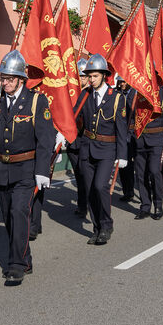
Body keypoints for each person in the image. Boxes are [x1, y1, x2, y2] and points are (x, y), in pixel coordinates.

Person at [0, 51, 55, 282]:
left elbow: (46, 139)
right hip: (3, 169)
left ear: (20, 79)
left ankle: (16, 265)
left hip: (27, 169)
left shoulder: (36, 101)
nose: (5, 82)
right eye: (2, 78)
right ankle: (25, 258)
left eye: (9, 78)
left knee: (19, 212)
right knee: (9, 217)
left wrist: (42, 170)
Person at [75, 54, 129, 244]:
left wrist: (122, 154)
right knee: (90, 190)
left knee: (100, 186)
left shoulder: (116, 98)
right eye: (89, 76)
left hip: (107, 149)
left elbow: (121, 128)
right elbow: (74, 117)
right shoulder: (85, 94)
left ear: (104, 76)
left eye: (95, 76)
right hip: (87, 148)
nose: (91, 79)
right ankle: (97, 228)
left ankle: (106, 224)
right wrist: (63, 133)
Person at [132, 79, 163, 219]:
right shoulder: (134, 92)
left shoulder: (162, 93)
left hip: (156, 139)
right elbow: (130, 118)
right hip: (139, 140)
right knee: (141, 175)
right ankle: (145, 206)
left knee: (155, 171)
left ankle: (158, 205)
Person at [67, 59, 90, 218]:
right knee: (78, 175)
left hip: (85, 139)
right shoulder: (69, 92)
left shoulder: (89, 93)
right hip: (72, 140)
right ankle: (82, 204)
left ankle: (89, 202)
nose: (81, 79)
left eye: (83, 76)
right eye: (79, 76)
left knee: (85, 174)